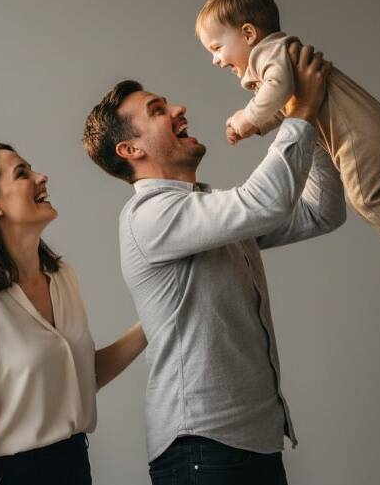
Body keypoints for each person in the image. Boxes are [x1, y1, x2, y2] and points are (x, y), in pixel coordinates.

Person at [82, 44, 345, 484]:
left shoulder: (207, 210)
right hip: (203, 447)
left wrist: (307, 125)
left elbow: (322, 212)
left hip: (253, 442)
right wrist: (298, 111)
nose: (179, 109)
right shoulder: (150, 217)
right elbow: (264, 203)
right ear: (130, 149)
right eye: (158, 110)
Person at [0, 143, 147, 485]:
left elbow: (84, 374)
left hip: (75, 466)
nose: (41, 177)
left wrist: (156, 317)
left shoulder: (63, 279)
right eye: (22, 173)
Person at [196, 0, 380, 284]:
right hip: (360, 131)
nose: (216, 60)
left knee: (365, 197)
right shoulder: (278, 60)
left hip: (360, 133)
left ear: (248, 34)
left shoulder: (269, 53)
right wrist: (255, 127)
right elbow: (287, 106)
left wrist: (246, 117)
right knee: (359, 197)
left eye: (217, 48)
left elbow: (279, 90)